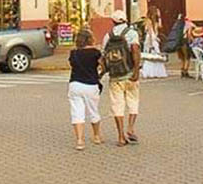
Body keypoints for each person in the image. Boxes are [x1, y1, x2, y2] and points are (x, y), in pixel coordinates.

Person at [101, 10, 141, 146]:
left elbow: (103, 57)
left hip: (115, 76)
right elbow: (135, 50)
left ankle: (120, 136)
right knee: (133, 101)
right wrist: (136, 70)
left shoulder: (108, 36)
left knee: (117, 106)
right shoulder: (131, 33)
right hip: (129, 73)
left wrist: (104, 72)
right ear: (125, 20)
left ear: (113, 21)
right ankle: (130, 128)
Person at [66, 27, 103, 150]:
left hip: (75, 84)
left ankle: (80, 140)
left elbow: (72, 64)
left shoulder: (74, 53)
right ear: (90, 39)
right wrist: (100, 74)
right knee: (93, 111)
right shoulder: (95, 52)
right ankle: (96, 136)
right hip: (91, 84)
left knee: (77, 112)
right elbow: (103, 64)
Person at [139, 11, 167, 79]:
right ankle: (157, 72)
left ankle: (149, 72)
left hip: (150, 39)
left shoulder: (148, 21)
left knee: (149, 56)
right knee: (155, 56)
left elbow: (151, 32)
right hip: (153, 39)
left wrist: (151, 42)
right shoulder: (153, 22)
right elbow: (154, 31)